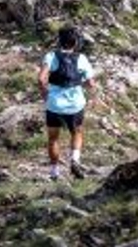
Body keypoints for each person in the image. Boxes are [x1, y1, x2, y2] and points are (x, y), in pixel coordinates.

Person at [37, 26, 96, 180]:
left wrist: (45, 94)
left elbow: (41, 78)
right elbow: (91, 83)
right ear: (75, 42)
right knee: (77, 132)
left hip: (54, 105)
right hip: (75, 105)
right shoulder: (81, 58)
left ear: (59, 41)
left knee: (53, 138)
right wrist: (79, 83)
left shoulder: (51, 56)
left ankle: (54, 172)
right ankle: (75, 160)